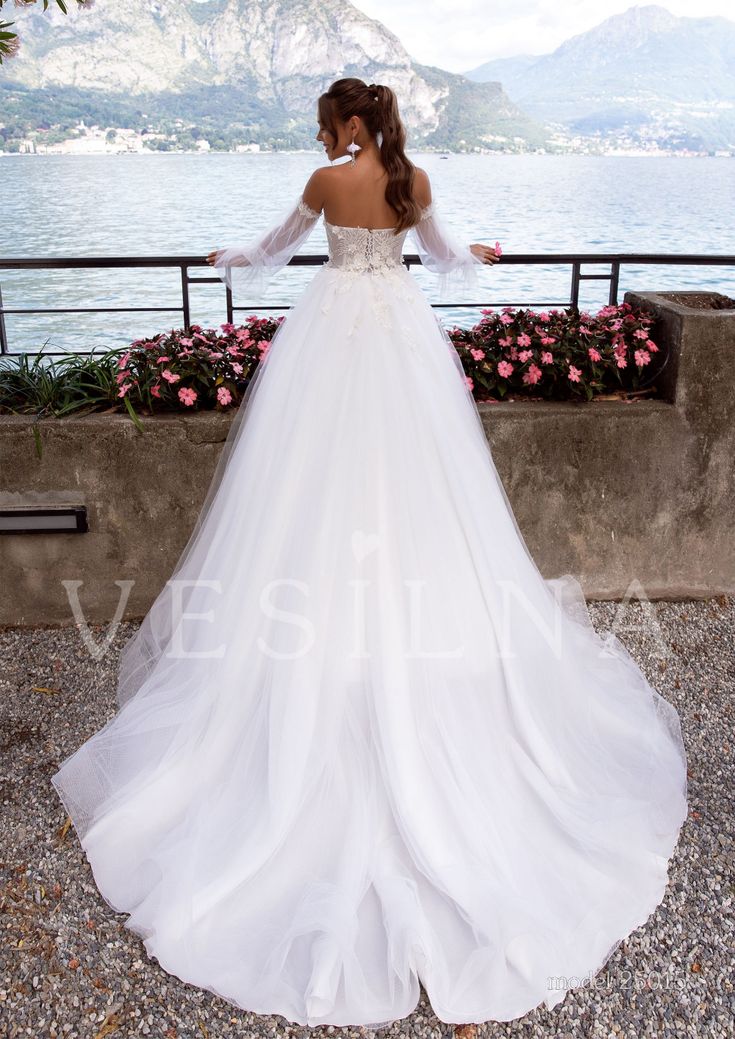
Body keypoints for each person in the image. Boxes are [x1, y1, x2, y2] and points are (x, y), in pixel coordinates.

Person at [51, 78, 688, 1037]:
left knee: (308, 492)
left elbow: (268, 252)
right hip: (401, 345)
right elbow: (441, 256)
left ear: (341, 122)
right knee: (417, 493)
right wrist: (472, 253)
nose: (323, 131)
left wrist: (227, 256)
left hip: (326, 341)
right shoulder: (413, 177)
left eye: (325, 119)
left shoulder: (323, 177)